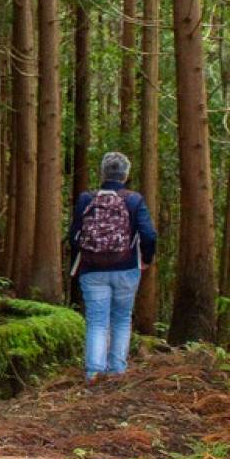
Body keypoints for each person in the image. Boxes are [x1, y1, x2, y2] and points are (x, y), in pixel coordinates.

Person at [69, 151, 157, 381]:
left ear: (102, 173)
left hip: (92, 270)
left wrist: (85, 254)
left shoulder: (86, 199)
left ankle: (94, 373)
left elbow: (73, 235)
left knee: (97, 321)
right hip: (126, 268)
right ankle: (117, 372)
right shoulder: (133, 200)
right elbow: (148, 234)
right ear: (125, 175)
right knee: (121, 318)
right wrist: (146, 259)